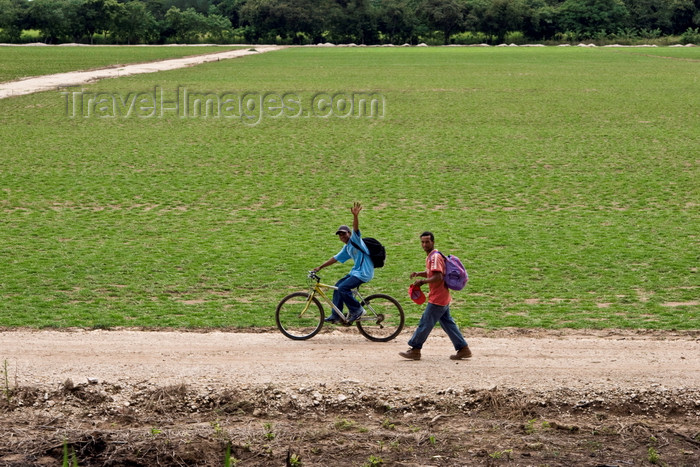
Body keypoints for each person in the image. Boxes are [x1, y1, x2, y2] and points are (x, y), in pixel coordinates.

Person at [399, 231, 472, 361]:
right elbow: (431, 273)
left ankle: (415, 350)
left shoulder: (434, 257)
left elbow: (438, 276)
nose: (425, 244)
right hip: (442, 297)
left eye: (427, 242)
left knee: (425, 323)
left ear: (433, 242)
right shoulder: (432, 256)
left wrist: (423, 282)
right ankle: (463, 349)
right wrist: (419, 274)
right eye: (422, 242)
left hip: (438, 298)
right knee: (448, 324)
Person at [313, 202, 374, 324]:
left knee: (343, 288)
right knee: (337, 287)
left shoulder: (355, 240)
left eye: (344, 233)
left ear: (349, 234)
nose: (342, 236)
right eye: (340, 235)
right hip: (356, 272)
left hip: (363, 273)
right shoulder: (347, 248)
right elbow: (334, 259)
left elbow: (356, 228)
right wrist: (320, 267)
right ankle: (336, 315)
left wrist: (355, 216)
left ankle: (357, 310)